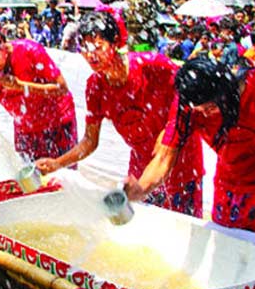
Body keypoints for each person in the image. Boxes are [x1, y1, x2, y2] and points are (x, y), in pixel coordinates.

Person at [37, 12, 204, 216]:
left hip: (181, 166)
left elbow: (192, 90)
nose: (91, 55)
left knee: (181, 229)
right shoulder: (95, 87)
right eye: (85, 48)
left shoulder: (152, 65)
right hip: (141, 170)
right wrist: (57, 163)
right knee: (140, 229)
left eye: (98, 46)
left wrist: (171, 129)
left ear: (115, 42)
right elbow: (90, 141)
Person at [126, 58, 255, 241]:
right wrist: (140, 189)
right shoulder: (188, 105)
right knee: (227, 250)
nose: (205, 114)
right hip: (228, 192)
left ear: (225, 89)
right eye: (200, 110)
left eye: (211, 107)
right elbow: (163, 159)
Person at [0, 26, 77, 163]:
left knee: (62, 172)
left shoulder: (29, 51)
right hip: (25, 128)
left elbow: (62, 88)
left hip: (58, 122)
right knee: (26, 171)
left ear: (1, 43)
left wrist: (21, 86)